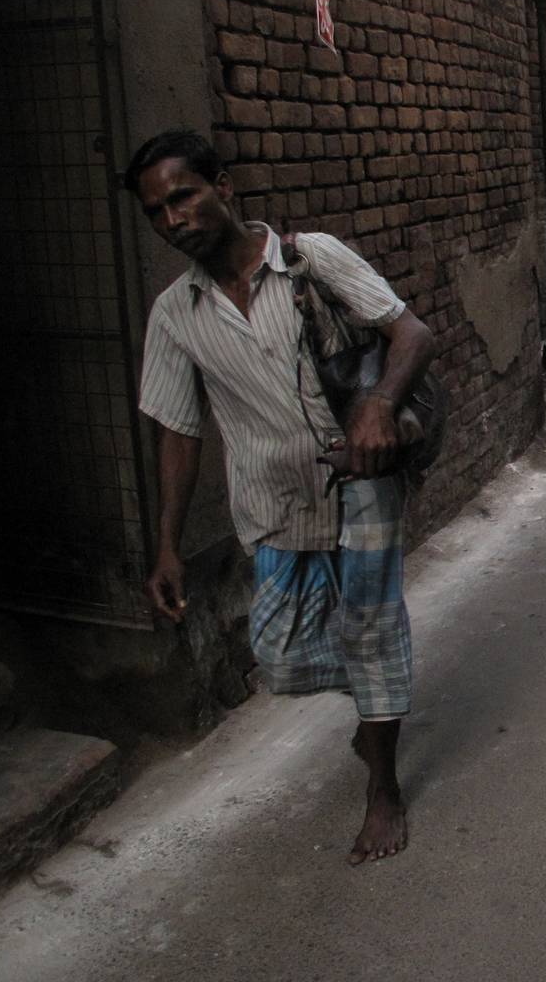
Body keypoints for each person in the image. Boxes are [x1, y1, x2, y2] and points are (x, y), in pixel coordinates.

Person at [127, 129, 437, 863]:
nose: (174, 220)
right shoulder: (176, 313)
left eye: (185, 197)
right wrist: (167, 545)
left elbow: (413, 334)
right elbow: (178, 431)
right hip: (273, 498)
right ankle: (375, 697)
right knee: (281, 652)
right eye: (157, 212)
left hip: (361, 478)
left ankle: (383, 785)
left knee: (369, 626)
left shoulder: (309, 257)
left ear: (223, 188)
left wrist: (379, 406)